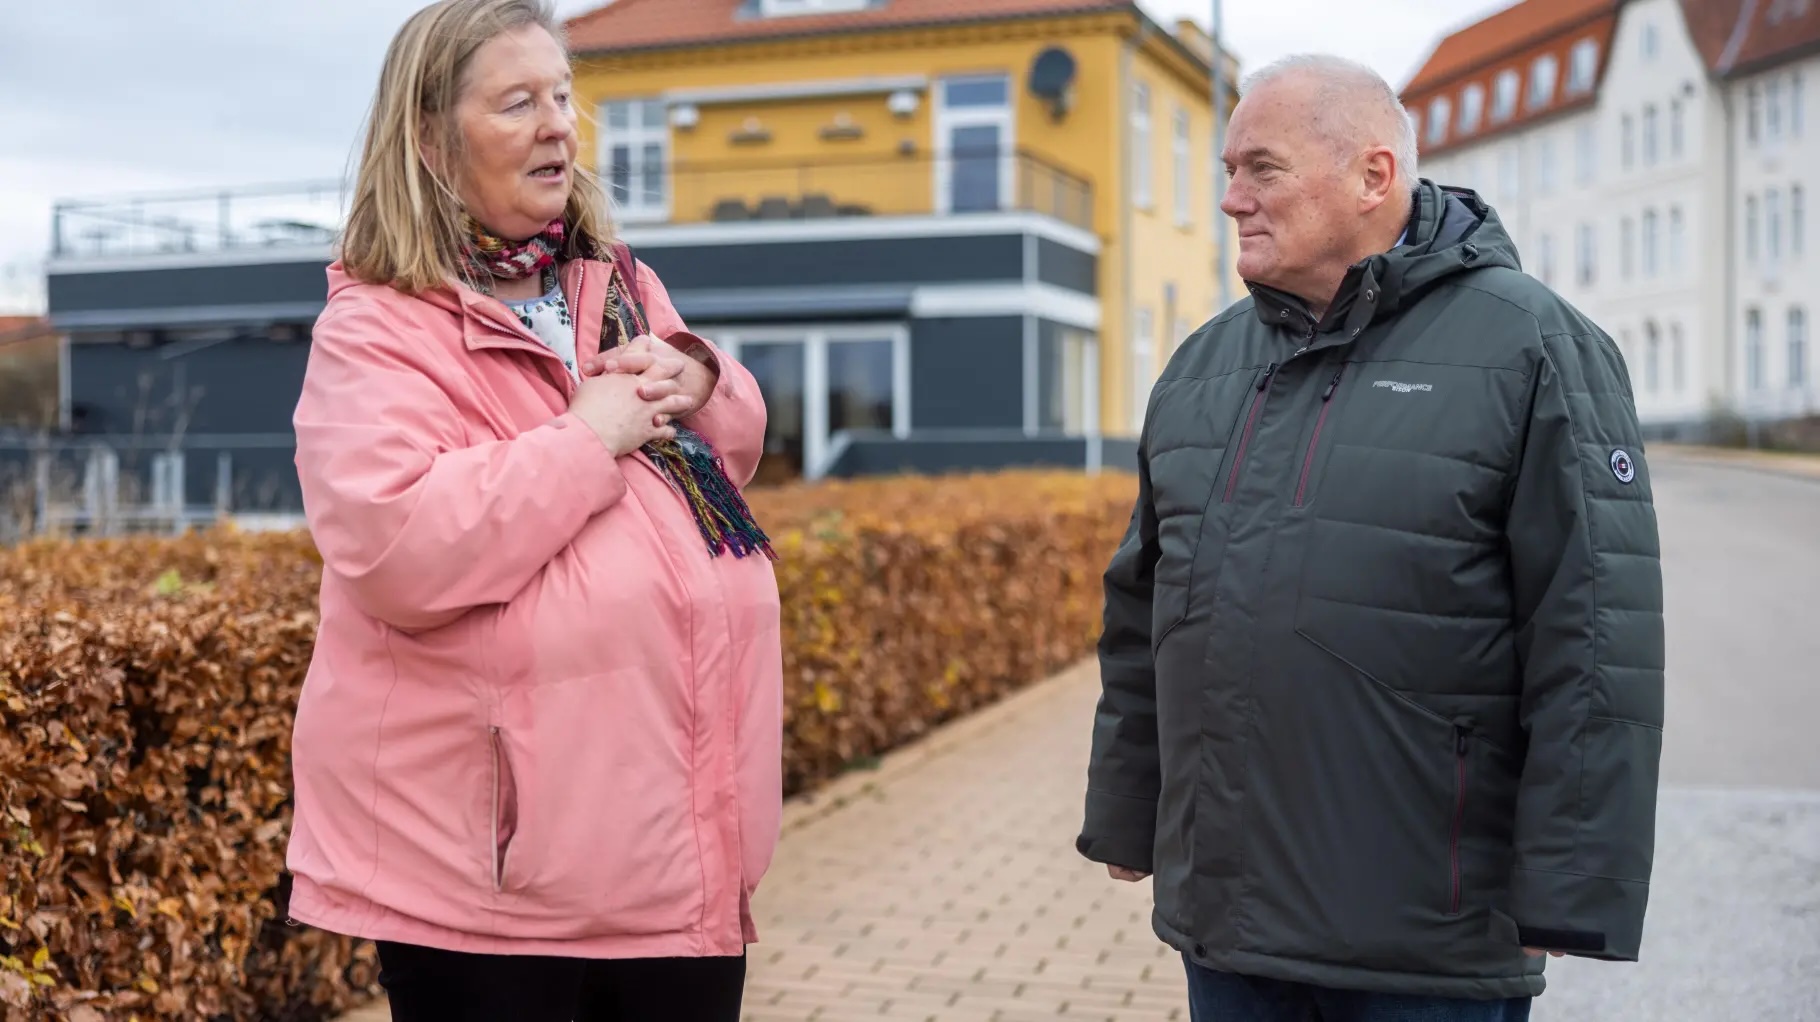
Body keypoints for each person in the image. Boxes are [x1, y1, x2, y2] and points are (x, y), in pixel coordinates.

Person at [1077, 54, 1664, 1022]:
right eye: (1225, 171)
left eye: (1258, 168)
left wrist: (1570, 879)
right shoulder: (1198, 369)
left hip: (1421, 944)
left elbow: (1596, 633)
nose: (1230, 199)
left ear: (1372, 175)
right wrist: (1124, 813)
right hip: (1226, 928)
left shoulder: (1532, 348)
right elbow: (1142, 610)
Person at [282, 3, 783, 1020]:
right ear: (429, 139)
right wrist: (586, 433)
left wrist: (702, 381)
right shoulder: (376, 327)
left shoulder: (618, 280)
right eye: (518, 102)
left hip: (670, 849)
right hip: (496, 886)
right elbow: (399, 546)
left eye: (562, 95)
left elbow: (718, 465)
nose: (559, 123)